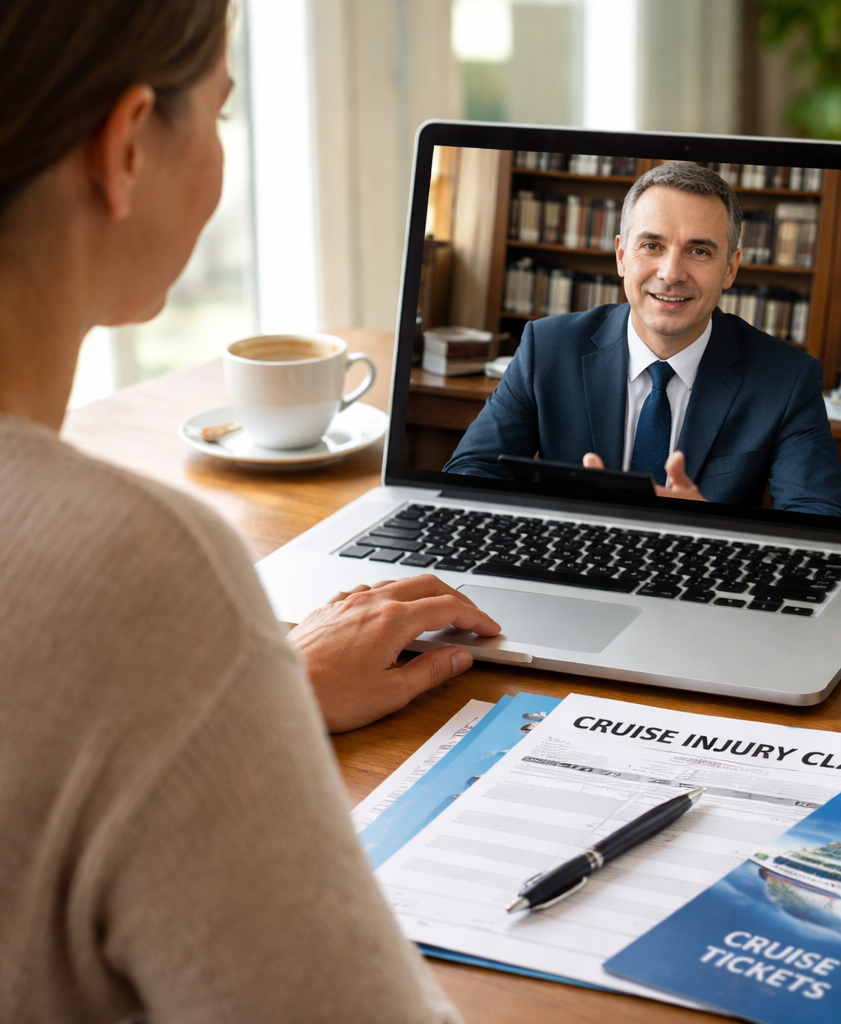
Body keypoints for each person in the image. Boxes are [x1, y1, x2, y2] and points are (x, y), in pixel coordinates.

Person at [0, 1, 500, 1020]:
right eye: (219, 117)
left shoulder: (140, 625)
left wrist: (250, 701)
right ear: (127, 146)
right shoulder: (138, 572)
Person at [444, 162, 841, 518]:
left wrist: (708, 530)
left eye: (698, 251)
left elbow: (825, 519)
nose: (671, 272)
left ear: (731, 268)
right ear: (622, 256)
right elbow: (467, 474)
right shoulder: (547, 348)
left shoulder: (785, 378)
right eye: (652, 245)